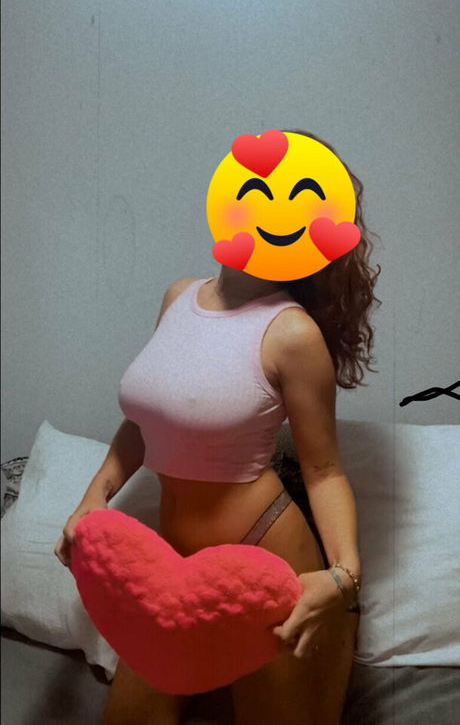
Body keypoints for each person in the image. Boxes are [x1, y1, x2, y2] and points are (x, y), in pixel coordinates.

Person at [54, 129, 381, 725]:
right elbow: (144, 424)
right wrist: (91, 501)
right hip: (170, 567)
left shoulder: (292, 333)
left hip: (264, 566)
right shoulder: (178, 297)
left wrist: (343, 576)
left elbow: (324, 470)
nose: (270, 210)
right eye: (257, 191)